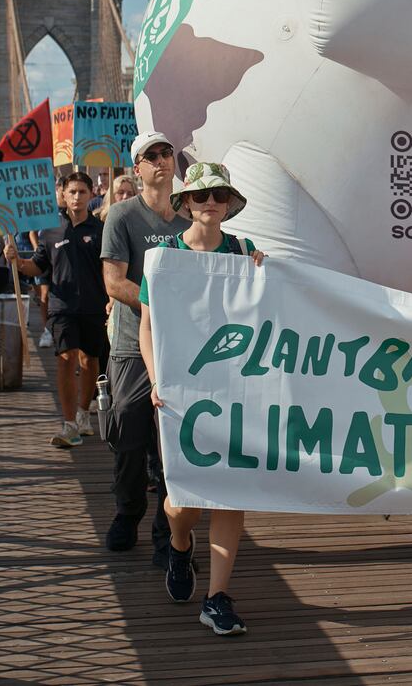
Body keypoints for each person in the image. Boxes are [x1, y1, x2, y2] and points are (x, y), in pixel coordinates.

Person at [140, 161, 264, 636]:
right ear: (186, 203)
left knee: (231, 490)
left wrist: (265, 273)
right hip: (179, 390)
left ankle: (217, 598)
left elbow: (270, 307)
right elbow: (148, 328)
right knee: (182, 498)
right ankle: (178, 542)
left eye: (218, 194)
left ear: (228, 202)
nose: (209, 202)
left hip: (233, 388)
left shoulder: (244, 252)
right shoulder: (165, 257)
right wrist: (155, 380)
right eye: (200, 195)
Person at [102, 132, 192, 568]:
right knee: (129, 432)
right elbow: (114, 282)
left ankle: (166, 536)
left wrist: (251, 257)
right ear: (137, 168)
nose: (160, 160)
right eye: (150, 156)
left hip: (179, 349)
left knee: (171, 441)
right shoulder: (122, 216)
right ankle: (127, 511)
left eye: (166, 153)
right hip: (131, 345)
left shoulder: (190, 219)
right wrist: (161, 303)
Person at [5, 172, 109, 449]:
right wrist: (16, 260)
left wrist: (112, 299)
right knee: (65, 358)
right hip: (61, 306)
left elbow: (109, 269)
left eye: (82, 192)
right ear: (62, 195)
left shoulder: (100, 230)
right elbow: (37, 266)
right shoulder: (49, 231)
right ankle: (69, 424)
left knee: (90, 361)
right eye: (72, 191)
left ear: (90, 195)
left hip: (94, 306)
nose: (76, 197)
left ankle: (84, 413)